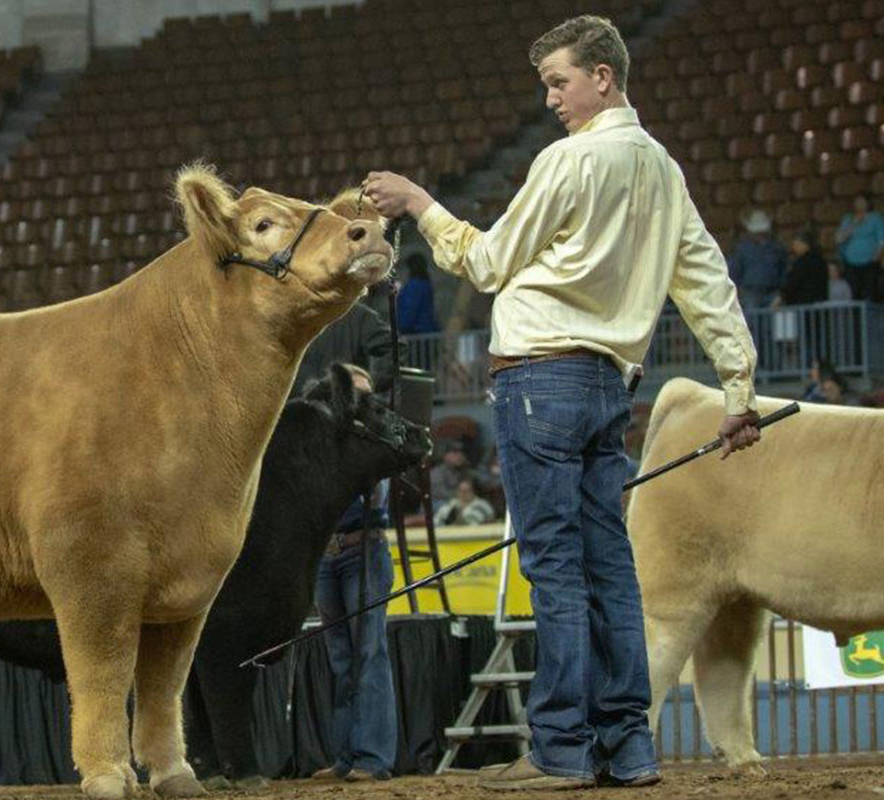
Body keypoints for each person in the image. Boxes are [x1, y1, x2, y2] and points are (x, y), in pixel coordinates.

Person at [363, 14, 760, 791]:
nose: (550, 99)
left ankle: (562, 751)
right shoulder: (663, 170)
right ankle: (630, 749)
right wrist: (738, 389)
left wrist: (418, 201)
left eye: (558, 82)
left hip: (539, 381)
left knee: (556, 568)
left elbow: (486, 262)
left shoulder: (568, 160)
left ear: (602, 77)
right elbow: (708, 286)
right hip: (611, 384)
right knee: (609, 567)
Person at [311, 364, 396, 783]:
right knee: (342, 656)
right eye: (353, 393)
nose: (360, 401)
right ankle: (347, 755)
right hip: (329, 553)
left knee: (368, 652)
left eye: (366, 393)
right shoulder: (325, 434)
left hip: (365, 546)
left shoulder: (376, 430)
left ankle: (373, 756)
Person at [727, 209, 787, 310]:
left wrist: (781, 293)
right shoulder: (742, 249)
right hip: (750, 294)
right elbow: (734, 272)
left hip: (772, 293)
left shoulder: (777, 248)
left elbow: (783, 271)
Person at [835, 194, 884, 302]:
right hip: (851, 264)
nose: (859, 204)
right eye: (857, 201)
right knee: (853, 293)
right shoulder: (848, 219)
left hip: (870, 263)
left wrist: (876, 256)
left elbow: (882, 240)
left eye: (862, 201)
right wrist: (852, 225)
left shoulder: (876, 218)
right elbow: (839, 239)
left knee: (870, 292)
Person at [773, 229, 828, 308]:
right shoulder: (821, 260)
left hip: (802, 305)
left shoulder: (803, 262)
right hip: (818, 304)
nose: (794, 247)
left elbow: (794, 281)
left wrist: (781, 297)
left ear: (804, 244)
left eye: (796, 244)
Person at [395, 253, 440, 335]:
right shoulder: (425, 284)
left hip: (416, 332)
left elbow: (410, 309)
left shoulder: (414, 286)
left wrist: (401, 327)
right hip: (426, 331)